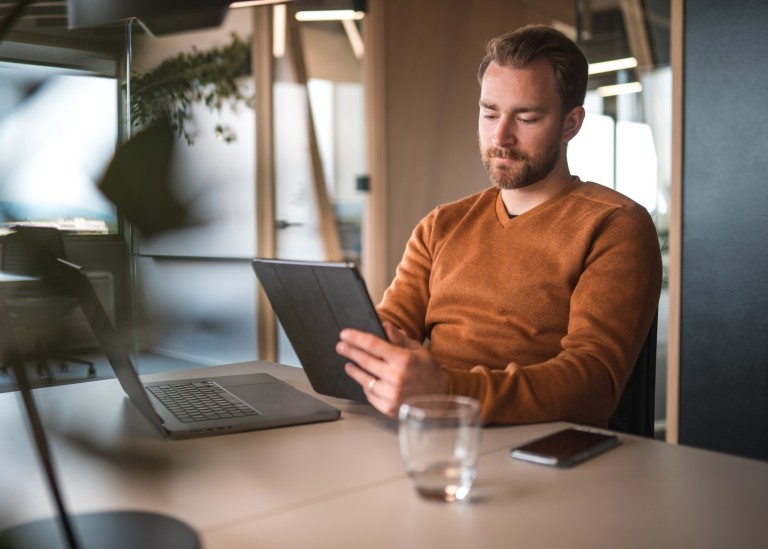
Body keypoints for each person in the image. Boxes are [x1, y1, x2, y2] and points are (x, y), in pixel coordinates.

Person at [335, 24, 662, 427]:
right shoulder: (442, 225)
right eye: (489, 113)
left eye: (525, 117)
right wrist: (373, 356)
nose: (500, 136)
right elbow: (389, 331)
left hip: (532, 446)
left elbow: (593, 383)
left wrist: (444, 391)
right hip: (430, 431)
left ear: (570, 124)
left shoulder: (614, 226)